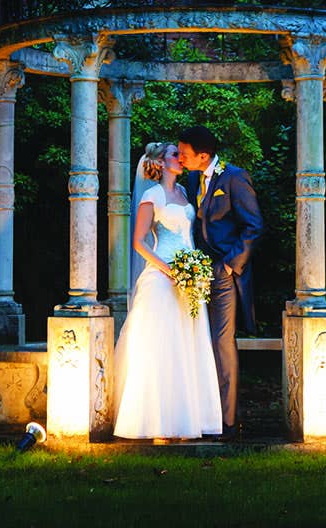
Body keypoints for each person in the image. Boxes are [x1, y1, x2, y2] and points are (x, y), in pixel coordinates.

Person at [112, 142, 223, 439]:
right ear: (160, 163)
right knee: (163, 347)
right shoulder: (152, 195)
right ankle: (158, 424)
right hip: (164, 277)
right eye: (175, 154)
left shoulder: (185, 193)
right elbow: (139, 242)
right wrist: (169, 270)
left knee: (188, 346)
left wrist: (193, 270)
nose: (181, 158)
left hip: (191, 277)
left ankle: (187, 422)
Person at [178, 125, 264, 440]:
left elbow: (254, 225)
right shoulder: (189, 179)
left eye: (185, 153)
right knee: (197, 342)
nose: (181, 158)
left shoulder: (234, 178)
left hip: (224, 274)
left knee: (221, 342)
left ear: (204, 155)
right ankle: (203, 414)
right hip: (195, 273)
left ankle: (228, 422)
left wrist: (230, 264)